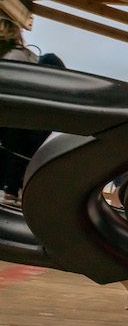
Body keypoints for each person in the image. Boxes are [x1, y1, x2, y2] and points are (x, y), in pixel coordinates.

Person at [0, 18, 65, 207]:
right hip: (38, 118)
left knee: (13, 140)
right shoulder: (29, 56)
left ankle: (11, 191)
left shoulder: (10, 57)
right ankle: (14, 191)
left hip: (17, 116)